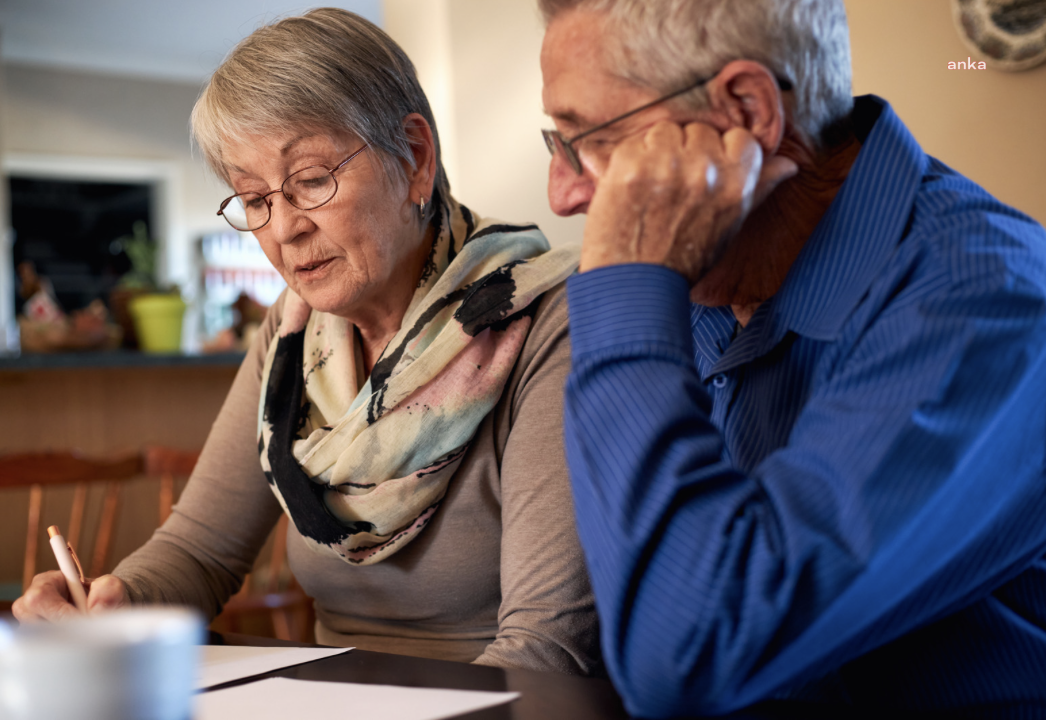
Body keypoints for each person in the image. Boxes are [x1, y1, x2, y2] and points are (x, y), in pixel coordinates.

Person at [14, 7, 601, 676]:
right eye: (254, 198)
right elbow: (201, 550)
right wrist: (118, 601)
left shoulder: (547, 321)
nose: (283, 229)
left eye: (312, 180)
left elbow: (546, 648)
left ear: (414, 158)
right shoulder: (293, 335)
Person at [539, 0, 1046, 714]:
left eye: (586, 138)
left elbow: (688, 655)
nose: (562, 193)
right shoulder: (699, 286)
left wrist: (629, 290)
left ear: (745, 111)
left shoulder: (987, 299)